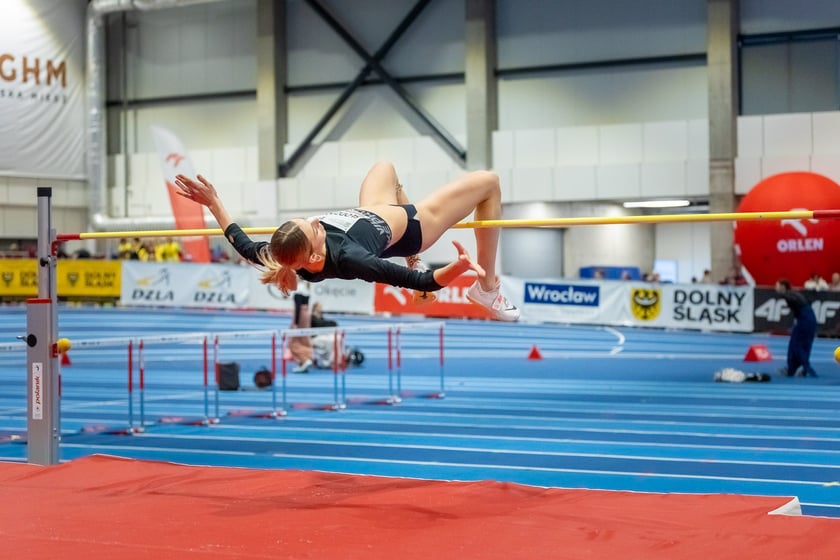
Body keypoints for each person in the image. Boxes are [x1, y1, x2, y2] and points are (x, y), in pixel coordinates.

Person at [174, 161, 519, 322]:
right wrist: (459, 267)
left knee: (385, 166)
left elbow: (240, 241)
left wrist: (214, 202)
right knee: (489, 182)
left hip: (371, 210)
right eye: (314, 227)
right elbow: (422, 283)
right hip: (414, 225)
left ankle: (408, 239)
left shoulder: (281, 252)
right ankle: (487, 286)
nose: (314, 221)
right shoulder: (352, 259)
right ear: (312, 255)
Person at [775, 278, 818, 377]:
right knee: (795, 343)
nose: (775, 288)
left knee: (798, 344)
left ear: (782, 286)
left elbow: (797, 302)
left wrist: (783, 295)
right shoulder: (793, 294)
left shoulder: (789, 295)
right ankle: (792, 367)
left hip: (805, 320)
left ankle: (804, 368)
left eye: (777, 285)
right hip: (805, 319)